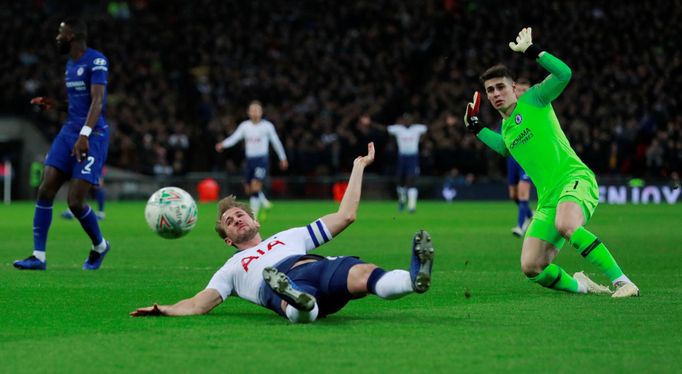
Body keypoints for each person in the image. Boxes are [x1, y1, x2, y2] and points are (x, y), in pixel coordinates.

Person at [131, 143, 435, 323]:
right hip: (280, 283)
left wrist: (359, 166)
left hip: (317, 266)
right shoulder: (231, 269)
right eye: (229, 221)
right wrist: (164, 309)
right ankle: (300, 302)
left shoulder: (291, 236)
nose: (236, 218)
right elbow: (200, 303)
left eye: (239, 214)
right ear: (227, 239)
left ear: (256, 222)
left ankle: (413, 279)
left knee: (364, 273)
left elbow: (346, 215)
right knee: (290, 299)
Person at [463, 27, 638, 297]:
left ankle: (622, 281)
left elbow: (564, 74)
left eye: (500, 87)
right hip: (548, 199)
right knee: (531, 266)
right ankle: (584, 287)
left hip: (574, 179)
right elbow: (503, 147)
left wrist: (534, 52)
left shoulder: (534, 98)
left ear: (513, 88)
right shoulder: (507, 128)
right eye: (490, 90)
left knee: (567, 225)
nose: (496, 93)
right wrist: (476, 128)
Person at [14, 19, 111, 271]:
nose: (57, 37)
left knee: (75, 202)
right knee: (46, 189)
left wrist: (85, 135)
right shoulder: (69, 64)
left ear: (72, 35)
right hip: (69, 131)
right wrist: (54, 105)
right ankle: (38, 256)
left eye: (60, 33)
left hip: (93, 135)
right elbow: (78, 105)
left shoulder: (96, 61)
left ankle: (100, 245)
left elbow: (97, 102)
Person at [215, 101, 287, 220]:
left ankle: (254, 217)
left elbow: (276, 142)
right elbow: (234, 138)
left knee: (255, 186)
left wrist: (283, 158)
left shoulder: (267, 126)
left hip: (261, 159)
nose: (255, 112)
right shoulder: (245, 126)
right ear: (248, 112)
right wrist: (223, 144)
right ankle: (265, 203)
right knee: (248, 189)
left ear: (261, 112)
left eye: (257, 110)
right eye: (252, 110)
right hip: (249, 161)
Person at [506, 78, 534, 237]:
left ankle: (520, 226)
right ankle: (530, 216)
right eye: (520, 90)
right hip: (512, 158)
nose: (522, 93)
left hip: (526, 157)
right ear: (514, 90)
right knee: (513, 195)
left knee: (523, 192)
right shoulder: (508, 111)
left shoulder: (532, 109)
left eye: (526, 90)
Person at [387, 114, 428, 213]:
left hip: (413, 157)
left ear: (412, 120)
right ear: (402, 120)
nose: (407, 121)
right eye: (405, 119)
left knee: (411, 179)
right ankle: (402, 200)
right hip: (402, 157)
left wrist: (445, 123)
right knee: (400, 181)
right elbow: (385, 129)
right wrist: (370, 123)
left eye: (409, 119)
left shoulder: (417, 128)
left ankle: (412, 206)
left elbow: (430, 129)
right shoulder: (398, 129)